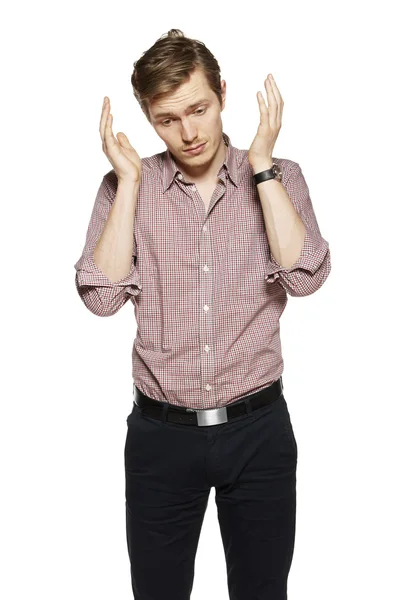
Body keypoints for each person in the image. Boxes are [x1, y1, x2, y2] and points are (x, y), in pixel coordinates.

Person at [74, 28, 331, 600]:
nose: (188, 133)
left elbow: (306, 275)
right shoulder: (123, 188)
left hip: (258, 431)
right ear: (148, 117)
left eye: (199, 109)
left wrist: (261, 165)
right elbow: (101, 297)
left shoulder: (280, 175)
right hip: (160, 437)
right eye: (167, 119)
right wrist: (131, 181)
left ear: (221, 93)